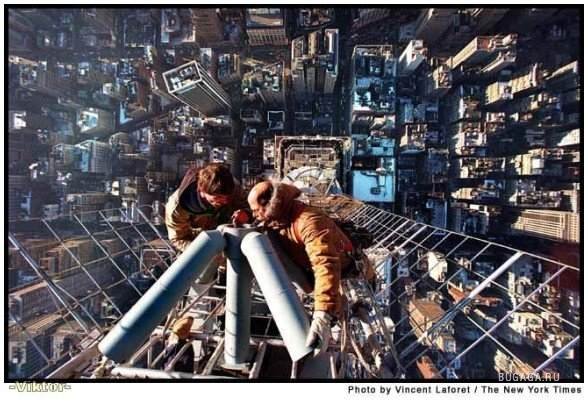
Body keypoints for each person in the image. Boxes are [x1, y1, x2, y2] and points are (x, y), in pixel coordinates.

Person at [247, 181, 354, 355]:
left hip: (345, 274)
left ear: (270, 207)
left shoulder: (309, 222)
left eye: (255, 210)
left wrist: (322, 314)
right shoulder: (281, 217)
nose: (254, 215)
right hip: (311, 273)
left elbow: (325, 265)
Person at [165, 163, 250, 253]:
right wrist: (206, 251)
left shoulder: (233, 187)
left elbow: (250, 207)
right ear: (201, 190)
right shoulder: (177, 208)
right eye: (218, 197)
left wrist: (246, 213)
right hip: (199, 246)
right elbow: (178, 238)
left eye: (227, 197)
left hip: (231, 241)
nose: (224, 201)